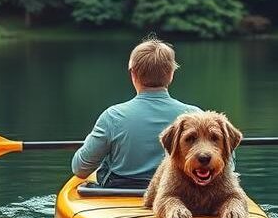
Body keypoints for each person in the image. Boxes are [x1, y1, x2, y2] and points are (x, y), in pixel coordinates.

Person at [72, 37, 199, 188]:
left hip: (119, 194)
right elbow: (226, 166)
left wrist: (90, 141)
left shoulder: (112, 117)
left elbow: (80, 169)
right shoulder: (196, 116)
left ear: (133, 74)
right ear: (171, 74)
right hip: (175, 194)